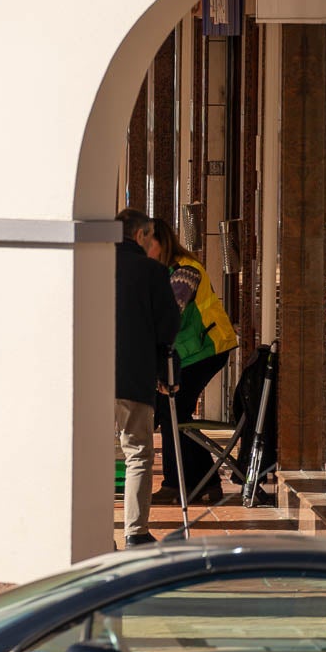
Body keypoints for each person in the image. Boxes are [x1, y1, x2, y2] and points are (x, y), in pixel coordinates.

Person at [148, 217, 238, 505]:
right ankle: (205, 482)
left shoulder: (185, 270)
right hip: (191, 351)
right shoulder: (164, 270)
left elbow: (169, 314)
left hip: (206, 349)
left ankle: (178, 484)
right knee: (176, 415)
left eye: (148, 244)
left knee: (172, 411)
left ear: (163, 243)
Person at [114, 209, 181, 547]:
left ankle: (93, 531)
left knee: (95, 454)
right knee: (138, 451)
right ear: (140, 235)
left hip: (89, 377)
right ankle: (135, 532)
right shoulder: (152, 272)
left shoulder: (89, 264)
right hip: (133, 375)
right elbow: (168, 327)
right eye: (151, 235)